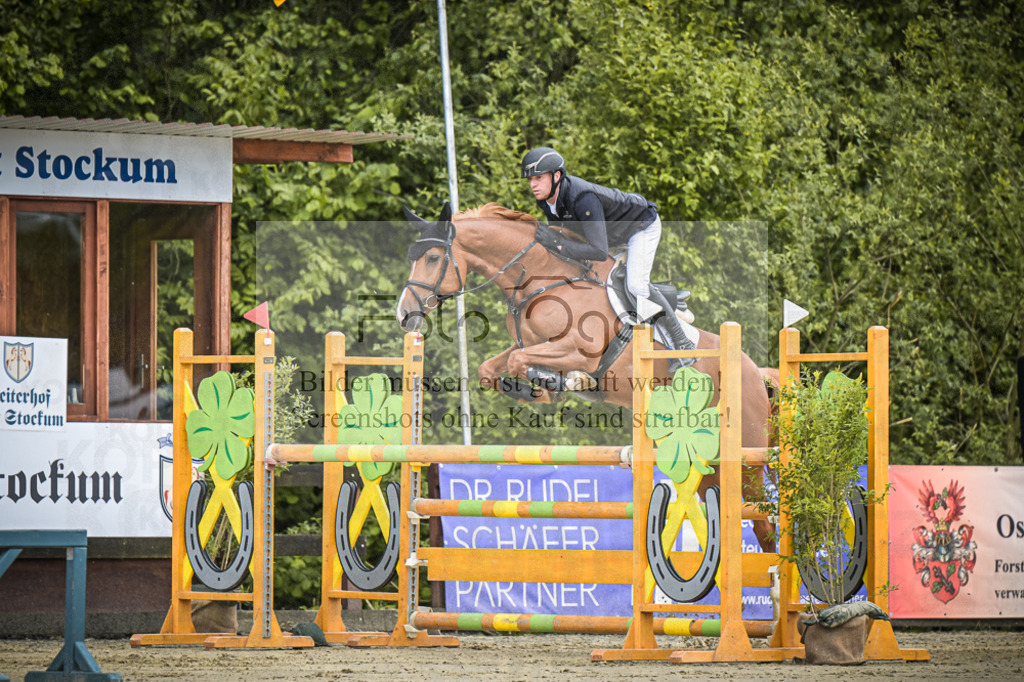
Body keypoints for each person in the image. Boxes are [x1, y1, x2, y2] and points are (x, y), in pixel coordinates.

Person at [520, 146, 695, 361]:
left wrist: (558, 245)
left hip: (639, 227)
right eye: (530, 180)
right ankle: (664, 297)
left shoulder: (583, 199)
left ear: (556, 176)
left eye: (538, 178)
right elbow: (568, 239)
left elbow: (598, 251)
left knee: (636, 285)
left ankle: (682, 342)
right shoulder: (548, 201)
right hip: (609, 236)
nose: (533, 185)